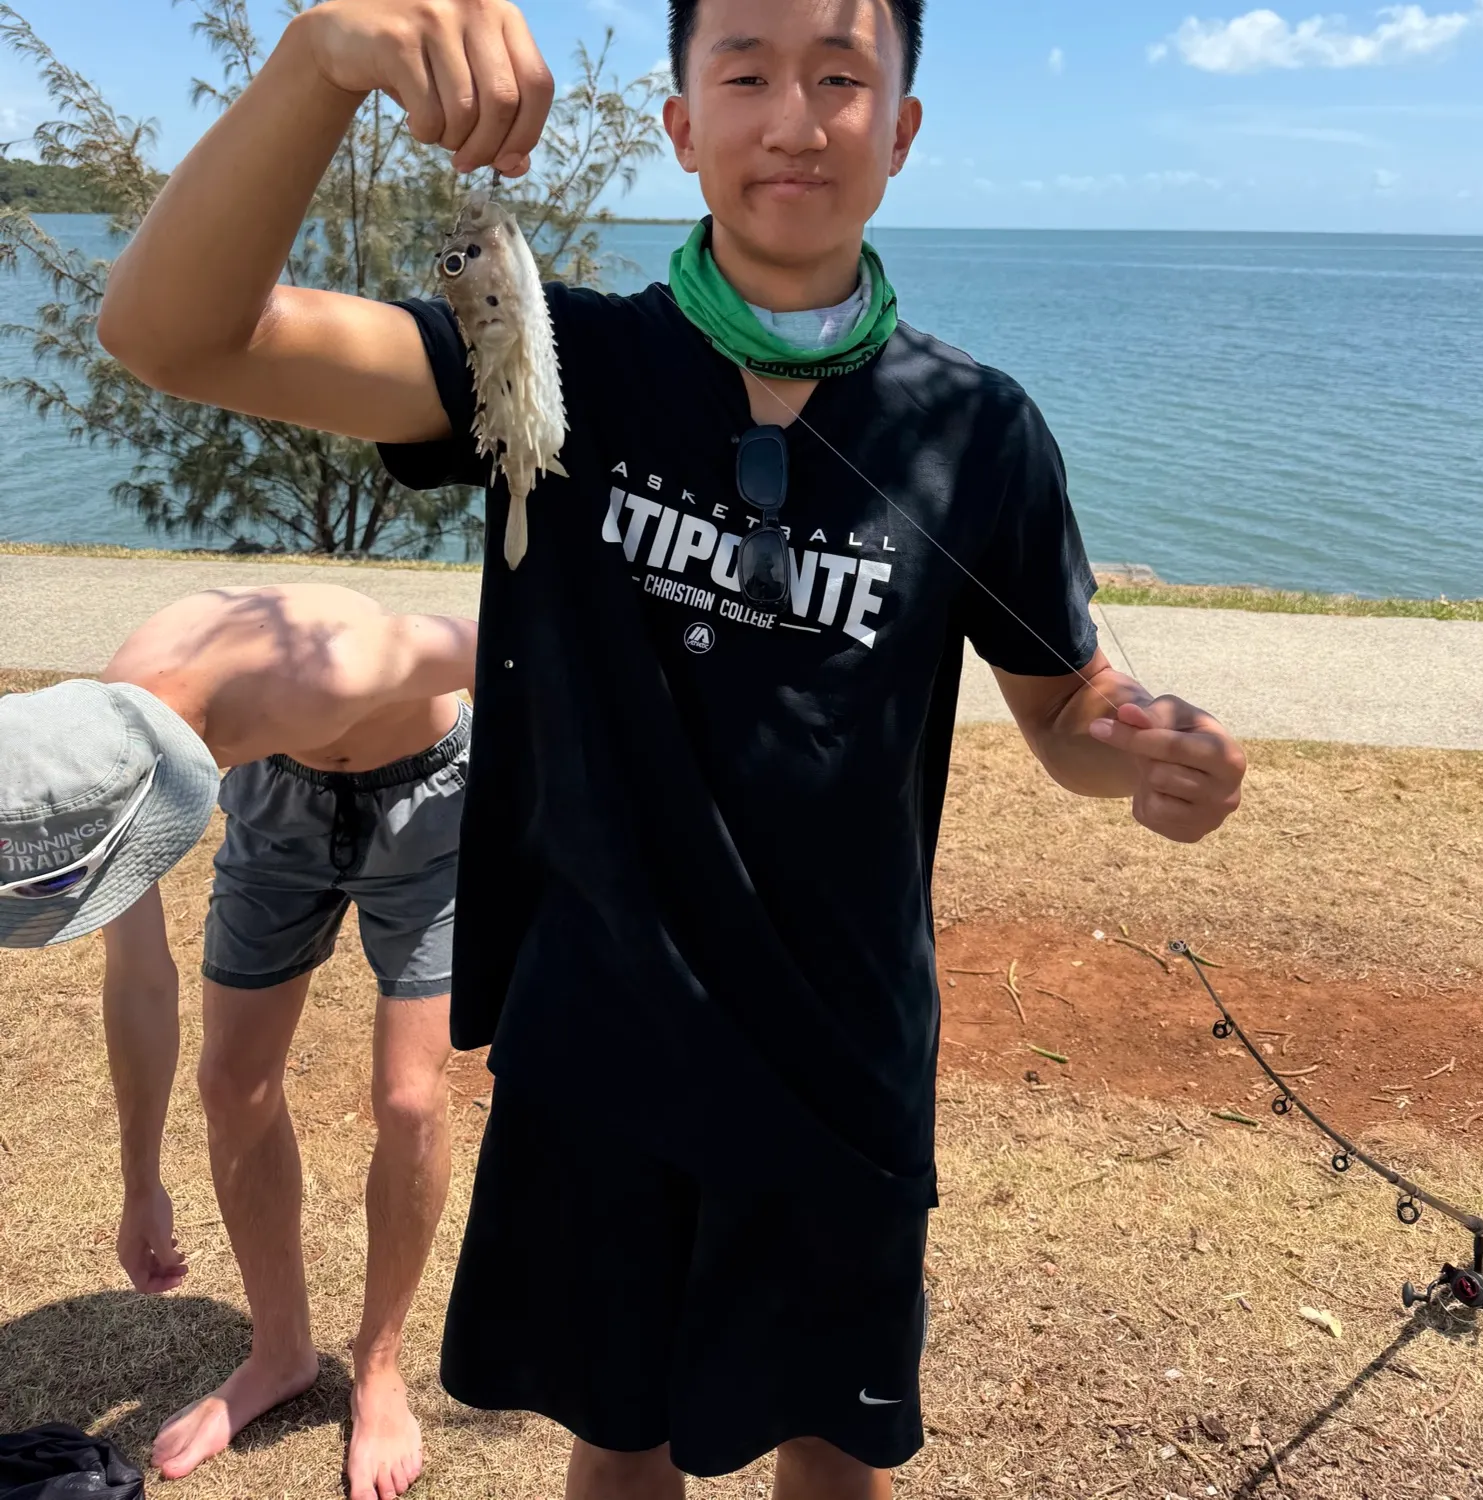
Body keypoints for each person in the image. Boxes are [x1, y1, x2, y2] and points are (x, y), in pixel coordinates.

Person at [93, 0, 1249, 1496]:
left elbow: (1066, 704)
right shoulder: (556, 359)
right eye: (747, 72)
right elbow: (173, 331)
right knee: (617, 1435)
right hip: (603, 1041)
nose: (795, 116)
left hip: (844, 1058)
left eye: (843, 77)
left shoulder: (982, 430)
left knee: (835, 1446)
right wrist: (319, 59)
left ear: (899, 133)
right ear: (680, 124)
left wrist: (1148, 754)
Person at [0, 583, 476, 1500]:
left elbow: (530, 637)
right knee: (231, 1082)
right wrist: (142, 1183)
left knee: (411, 1099)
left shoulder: (335, 664)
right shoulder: (98, 766)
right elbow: (139, 981)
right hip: (276, 794)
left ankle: (378, 1366)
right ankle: (280, 1350)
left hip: (429, 800)